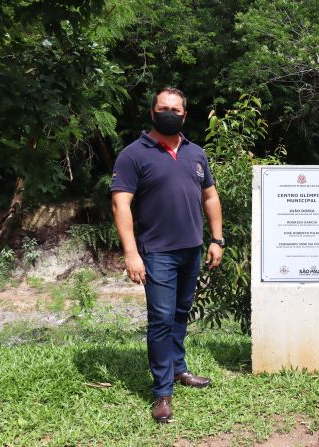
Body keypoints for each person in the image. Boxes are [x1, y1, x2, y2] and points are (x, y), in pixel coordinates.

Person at [111, 87, 224, 423]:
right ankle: (162, 392)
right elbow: (121, 204)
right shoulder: (133, 155)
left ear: (185, 115)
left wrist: (217, 239)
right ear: (152, 112)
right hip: (156, 253)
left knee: (179, 313)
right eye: (164, 108)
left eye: (176, 109)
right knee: (160, 320)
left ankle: (178, 369)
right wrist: (131, 252)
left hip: (192, 250)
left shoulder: (196, 153)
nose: (170, 113)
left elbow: (211, 199)